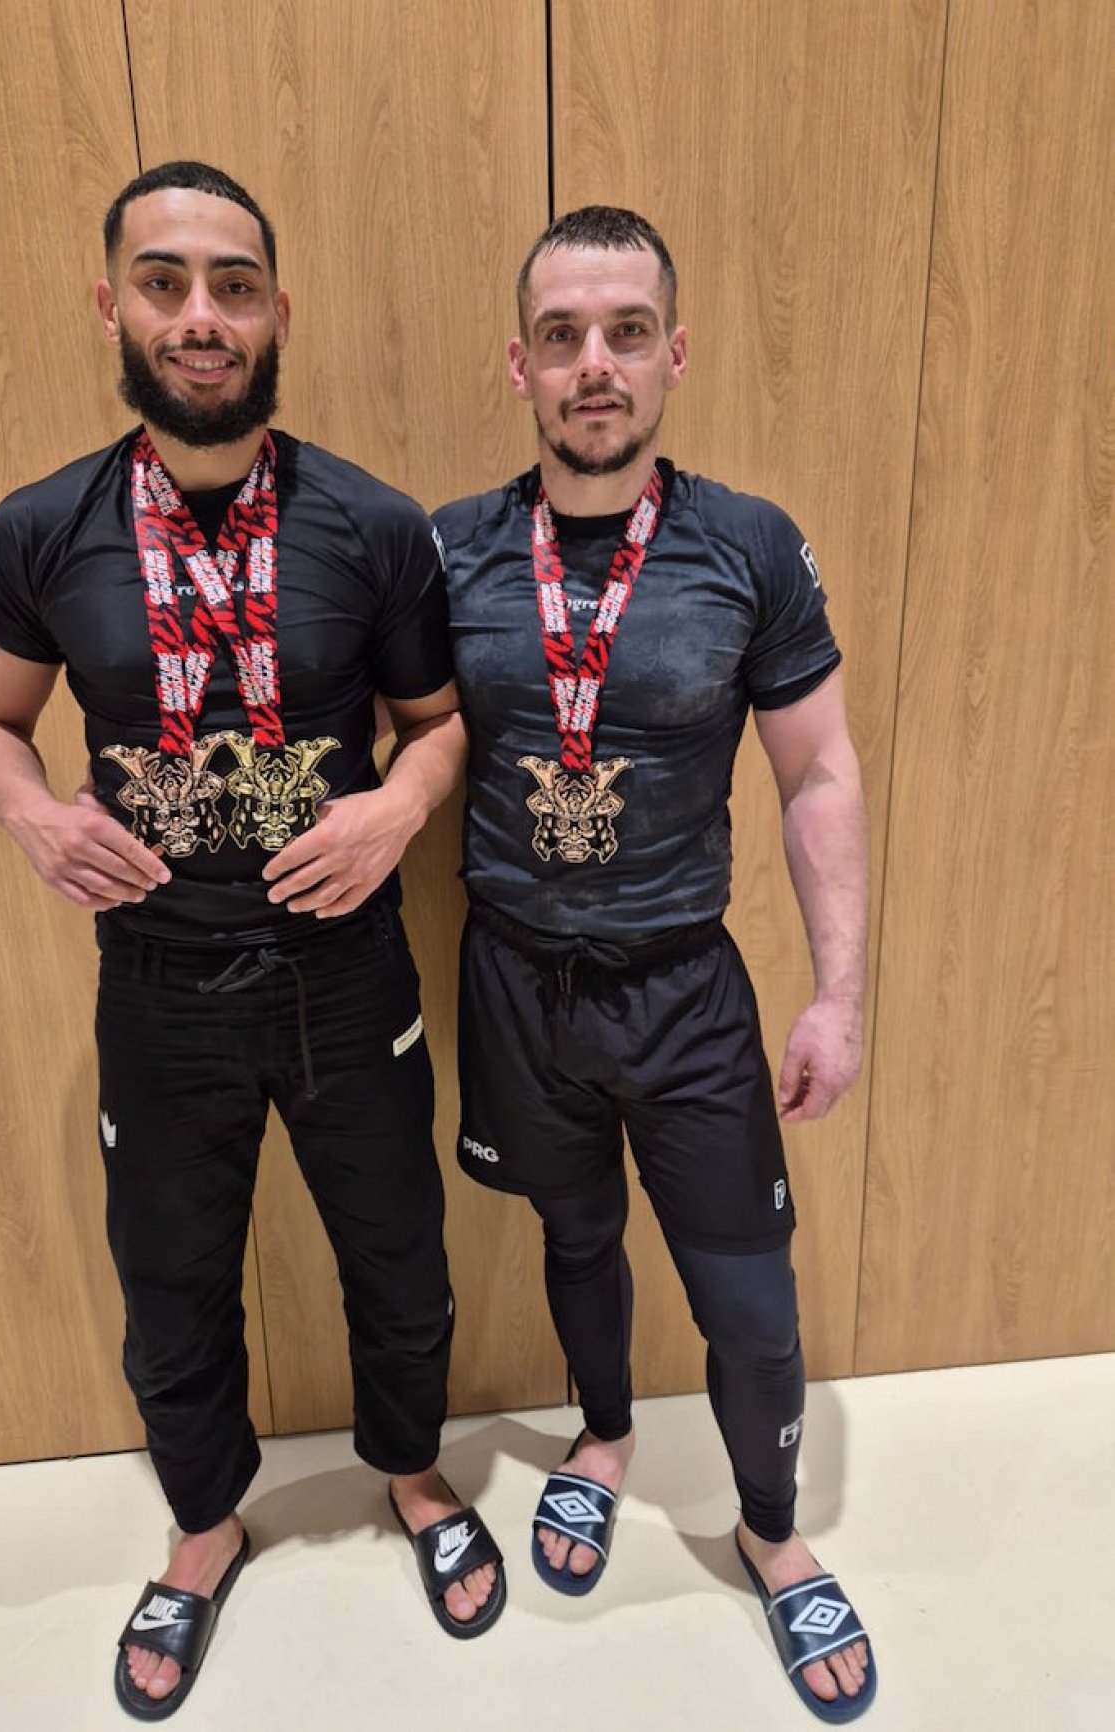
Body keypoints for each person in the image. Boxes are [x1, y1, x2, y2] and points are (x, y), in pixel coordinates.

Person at [0, 160, 504, 1720]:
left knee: (399, 1254)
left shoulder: (373, 524)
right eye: (166, 281)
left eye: (234, 286)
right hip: (157, 982)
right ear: (112, 305)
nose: (202, 316)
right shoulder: (42, 527)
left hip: (348, 971)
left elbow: (439, 725)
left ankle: (413, 1474)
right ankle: (204, 1525)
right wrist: (33, 818)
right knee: (170, 1277)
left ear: (276, 313)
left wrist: (400, 808)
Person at [434, 207, 875, 1722]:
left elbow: (819, 775)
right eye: (561, 336)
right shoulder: (447, 550)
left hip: (687, 993)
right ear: (520, 365)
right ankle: (607, 1437)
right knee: (575, 1240)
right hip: (515, 984)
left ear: (674, 353)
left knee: (751, 1304)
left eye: (627, 332)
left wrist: (840, 993)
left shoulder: (748, 546)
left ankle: (771, 1533)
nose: (595, 365)